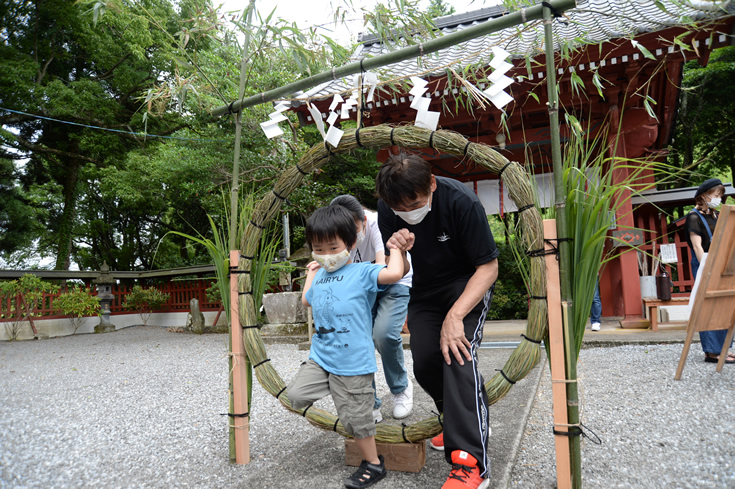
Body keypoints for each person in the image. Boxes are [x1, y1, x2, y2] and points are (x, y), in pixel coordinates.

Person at [375, 152, 499, 489]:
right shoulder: (389, 208)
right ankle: (455, 418)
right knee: (426, 361)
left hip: (466, 281)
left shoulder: (462, 201)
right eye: (399, 207)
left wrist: (456, 316)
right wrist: (398, 249)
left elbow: (488, 267)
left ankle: (470, 462)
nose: (407, 212)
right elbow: (395, 268)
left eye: (413, 202)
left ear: (431, 184)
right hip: (424, 289)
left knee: (457, 353)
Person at [287, 204, 407, 489]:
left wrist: (397, 250)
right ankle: (338, 388)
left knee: (358, 420)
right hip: (322, 357)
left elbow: (393, 275)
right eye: (319, 249)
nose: (326, 255)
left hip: (353, 360)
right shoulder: (322, 274)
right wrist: (311, 273)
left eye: (333, 247)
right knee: (296, 394)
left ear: (351, 244)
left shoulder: (363, 272)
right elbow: (307, 300)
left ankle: (374, 465)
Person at [331, 195, 414, 421]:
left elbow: (382, 266)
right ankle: (371, 401)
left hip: (393, 280)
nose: (350, 237)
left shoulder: (377, 221)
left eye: (354, 229)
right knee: (359, 341)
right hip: (363, 286)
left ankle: (401, 389)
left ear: (363, 221)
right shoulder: (335, 230)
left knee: (383, 335)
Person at [684, 177, 735, 364]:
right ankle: (712, 352)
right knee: (708, 307)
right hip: (704, 263)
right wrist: (707, 269)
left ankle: (724, 348)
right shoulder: (693, 216)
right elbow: (697, 247)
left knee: (723, 304)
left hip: (720, 263)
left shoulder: (714, 215)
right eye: (715, 195)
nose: (719, 199)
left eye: (720, 196)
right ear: (704, 196)